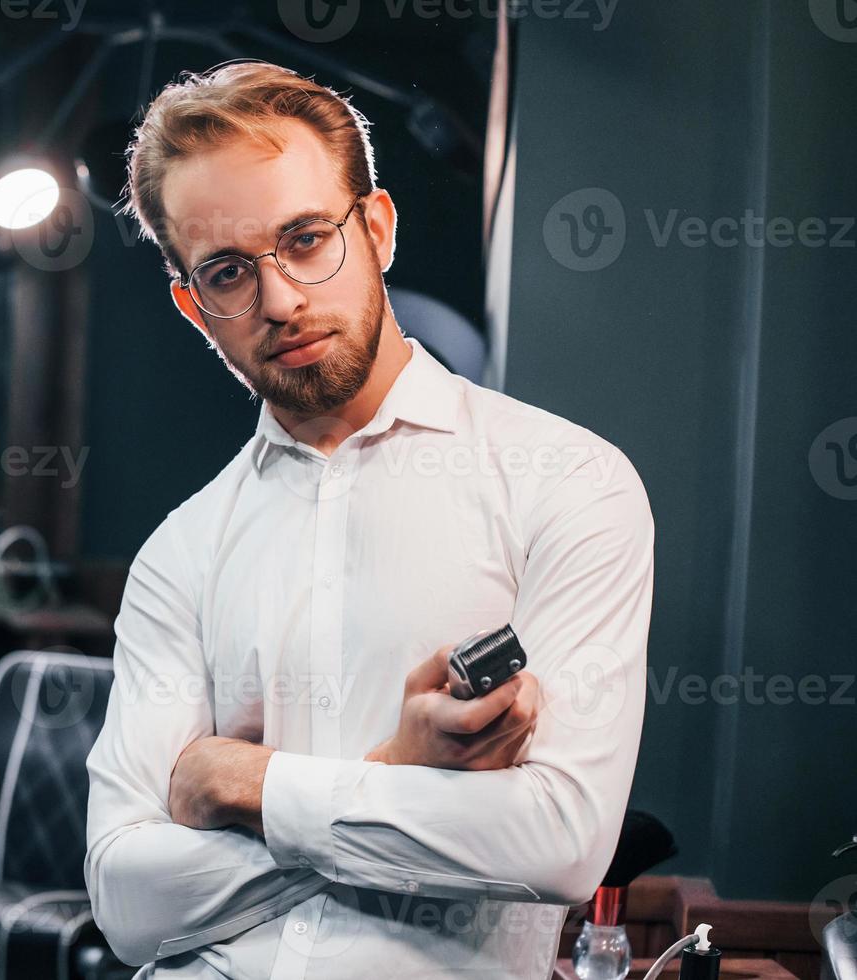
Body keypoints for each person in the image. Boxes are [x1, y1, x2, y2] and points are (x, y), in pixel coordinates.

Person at [84, 62, 655, 978]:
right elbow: (126, 897)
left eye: (307, 239)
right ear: (195, 308)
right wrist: (399, 776)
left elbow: (558, 843)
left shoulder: (568, 483)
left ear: (378, 228)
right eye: (229, 272)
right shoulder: (179, 553)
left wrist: (244, 782)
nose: (280, 301)